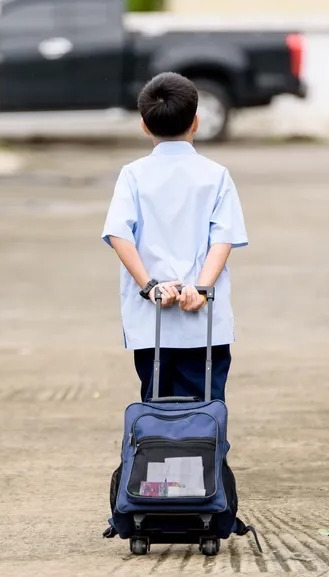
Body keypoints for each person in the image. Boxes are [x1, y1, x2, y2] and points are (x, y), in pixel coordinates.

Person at [101, 72, 248, 403]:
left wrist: (150, 286)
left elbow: (119, 234)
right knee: (207, 407)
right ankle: (209, 458)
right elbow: (222, 240)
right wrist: (200, 288)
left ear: (144, 125)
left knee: (158, 409)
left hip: (152, 321)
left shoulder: (133, 175)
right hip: (205, 321)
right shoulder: (215, 175)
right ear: (196, 122)